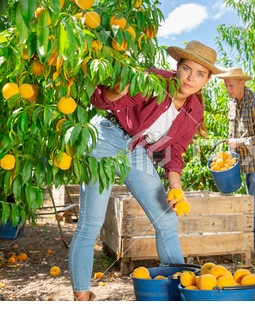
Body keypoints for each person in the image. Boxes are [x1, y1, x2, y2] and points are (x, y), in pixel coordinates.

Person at [69, 41, 222, 300]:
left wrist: (176, 187)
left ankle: (178, 290)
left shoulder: (194, 109)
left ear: (207, 80)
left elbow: (176, 152)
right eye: (187, 69)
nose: (190, 78)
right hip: (107, 134)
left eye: (199, 74)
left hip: (134, 149)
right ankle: (82, 297)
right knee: (91, 222)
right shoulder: (153, 80)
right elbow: (99, 99)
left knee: (167, 219)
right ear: (177, 67)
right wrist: (116, 92)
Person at [216, 67, 255, 257]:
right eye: (226, 86)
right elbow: (233, 133)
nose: (228, 89)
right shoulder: (232, 103)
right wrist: (230, 151)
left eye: (231, 85)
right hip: (245, 160)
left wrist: (238, 143)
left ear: (242, 82)